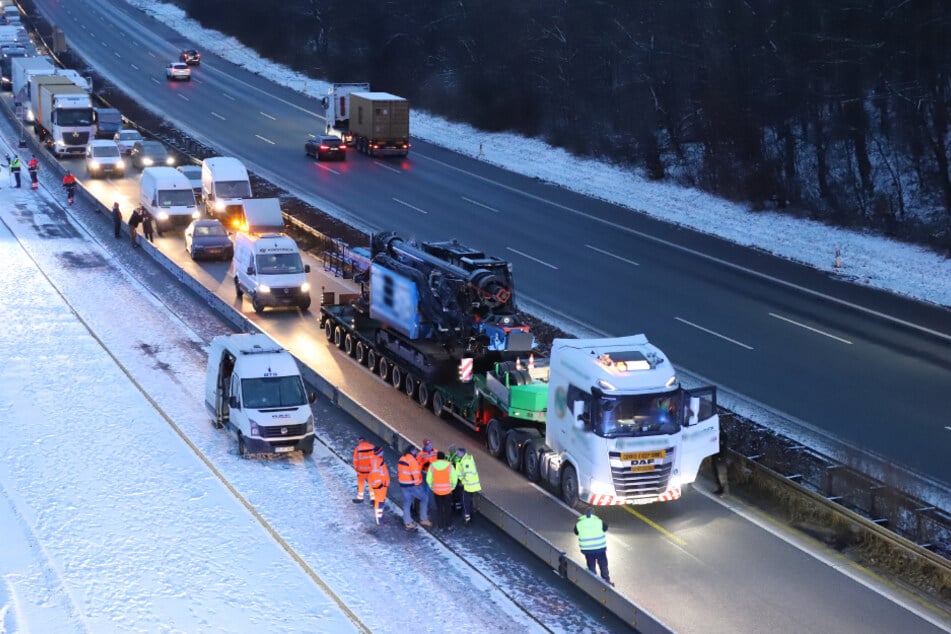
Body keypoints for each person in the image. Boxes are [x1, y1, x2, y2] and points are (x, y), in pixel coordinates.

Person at [575, 508, 611, 585]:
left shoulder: (579, 524)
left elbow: (576, 532)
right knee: (603, 564)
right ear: (593, 514)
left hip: (587, 550)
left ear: (585, 514)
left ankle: (593, 581)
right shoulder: (599, 522)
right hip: (600, 549)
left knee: (591, 565)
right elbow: (605, 528)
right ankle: (606, 580)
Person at [397, 447, 431, 530]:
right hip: (412, 485)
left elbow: (399, 472)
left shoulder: (402, 458)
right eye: (415, 450)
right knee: (424, 498)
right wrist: (418, 485)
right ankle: (423, 519)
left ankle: (408, 523)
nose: (416, 452)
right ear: (412, 451)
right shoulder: (412, 460)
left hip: (403, 484)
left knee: (407, 503)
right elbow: (415, 474)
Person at [426, 451, 457, 530]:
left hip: (437, 491)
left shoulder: (432, 466)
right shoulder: (449, 466)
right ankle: (449, 525)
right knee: (448, 508)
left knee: (439, 508)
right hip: (447, 491)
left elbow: (428, 479)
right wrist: (452, 488)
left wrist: (433, 487)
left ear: (437, 457)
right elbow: (454, 478)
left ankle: (440, 526)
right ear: (444, 458)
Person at [455, 447, 481, 526]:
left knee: (465, 502)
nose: (457, 455)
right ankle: (470, 516)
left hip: (468, 486)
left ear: (462, 453)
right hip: (473, 485)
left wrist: (462, 482)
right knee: (469, 501)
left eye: (458, 453)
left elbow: (464, 474)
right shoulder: (468, 458)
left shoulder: (465, 462)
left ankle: (467, 520)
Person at [367, 446, 390, 525]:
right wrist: (379, 484)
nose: (383, 453)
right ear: (378, 453)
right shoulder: (376, 462)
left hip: (382, 486)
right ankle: (379, 519)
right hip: (380, 486)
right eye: (381, 451)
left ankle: (380, 518)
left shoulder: (377, 459)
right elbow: (375, 474)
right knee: (380, 502)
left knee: (380, 501)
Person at [351, 436, 375, 503]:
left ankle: (360, 498)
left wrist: (356, 469)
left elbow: (355, 460)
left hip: (361, 471)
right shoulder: (372, 447)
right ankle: (373, 499)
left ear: (359, 441)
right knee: (371, 484)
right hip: (371, 470)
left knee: (361, 484)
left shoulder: (358, 448)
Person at [713, 428, 729, 496]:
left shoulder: (723, 436)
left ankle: (725, 491)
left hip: (721, 458)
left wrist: (721, 456)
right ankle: (719, 489)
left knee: (721, 475)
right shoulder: (718, 435)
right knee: (716, 474)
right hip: (716, 456)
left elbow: (723, 447)